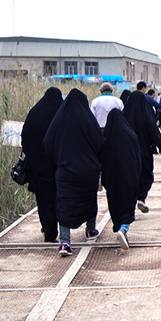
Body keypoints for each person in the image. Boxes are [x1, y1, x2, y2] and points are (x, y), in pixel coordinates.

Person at [43, 88, 105, 256]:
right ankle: (90, 230)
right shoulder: (88, 120)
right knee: (89, 200)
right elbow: (100, 143)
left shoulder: (60, 120)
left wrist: (60, 158)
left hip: (65, 171)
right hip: (88, 172)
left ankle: (65, 243)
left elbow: (47, 143)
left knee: (64, 203)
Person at [124, 84, 161, 214]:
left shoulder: (124, 117)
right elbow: (157, 137)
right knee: (146, 177)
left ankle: (130, 204)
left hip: (128, 154)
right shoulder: (147, 117)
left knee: (130, 179)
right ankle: (141, 199)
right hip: (145, 153)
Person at [20, 86, 63, 243]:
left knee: (44, 200)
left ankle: (48, 230)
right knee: (59, 197)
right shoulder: (60, 112)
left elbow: (25, 137)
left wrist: (34, 157)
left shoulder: (34, 113)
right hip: (57, 165)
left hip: (38, 167)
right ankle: (60, 230)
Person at [100, 109, 140, 249]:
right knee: (128, 204)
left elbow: (101, 159)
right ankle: (123, 229)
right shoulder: (131, 134)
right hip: (129, 177)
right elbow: (137, 158)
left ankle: (119, 227)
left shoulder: (105, 136)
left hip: (111, 178)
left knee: (115, 204)